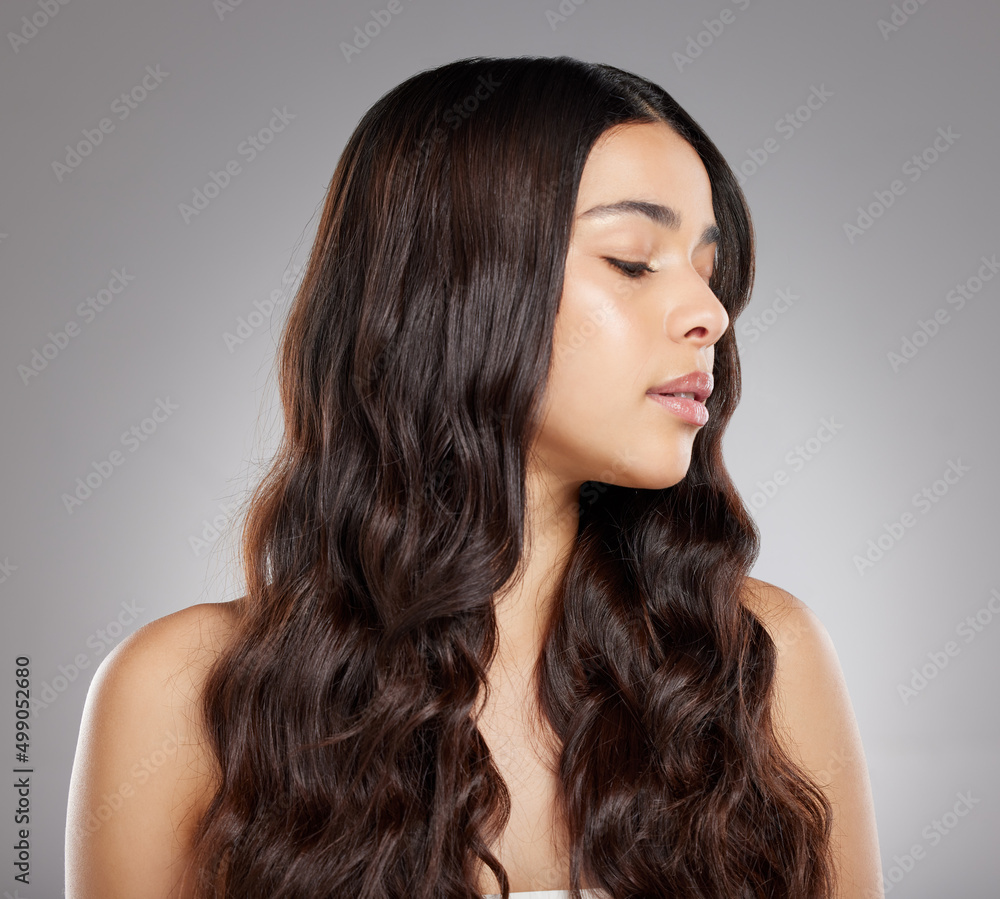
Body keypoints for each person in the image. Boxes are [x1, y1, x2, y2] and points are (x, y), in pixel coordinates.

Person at [65, 55, 883, 898]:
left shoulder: (763, 662)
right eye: (634, 261)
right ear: (453, 292)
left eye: (709, 271)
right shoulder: (177, 696)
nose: (710, 314)